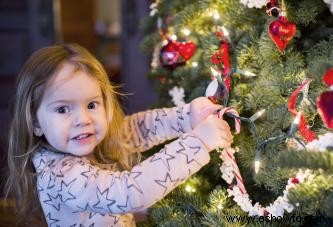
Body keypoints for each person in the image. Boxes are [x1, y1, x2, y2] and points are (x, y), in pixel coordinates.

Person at [4, 44, 233, 226]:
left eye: (92, 105)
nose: (83, 119)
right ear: (35, 123)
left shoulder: (95, 140)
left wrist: (187, 116)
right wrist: (199, 142)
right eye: (63, 109)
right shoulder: (61, 174)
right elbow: (128, 193)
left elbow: (139, 128)